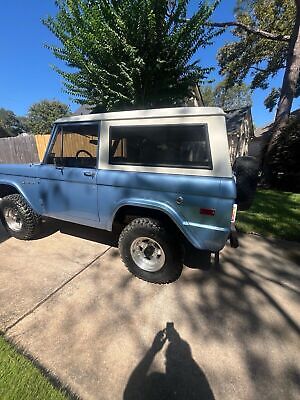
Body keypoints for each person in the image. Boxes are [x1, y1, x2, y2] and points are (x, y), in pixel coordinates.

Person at [124, 323, 215, 400]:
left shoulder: (157, 384)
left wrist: (152, 351)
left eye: (170, 362)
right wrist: (181, 351)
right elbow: (202, 386)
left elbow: (130, 393)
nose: (168, 365)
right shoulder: (193, 392)